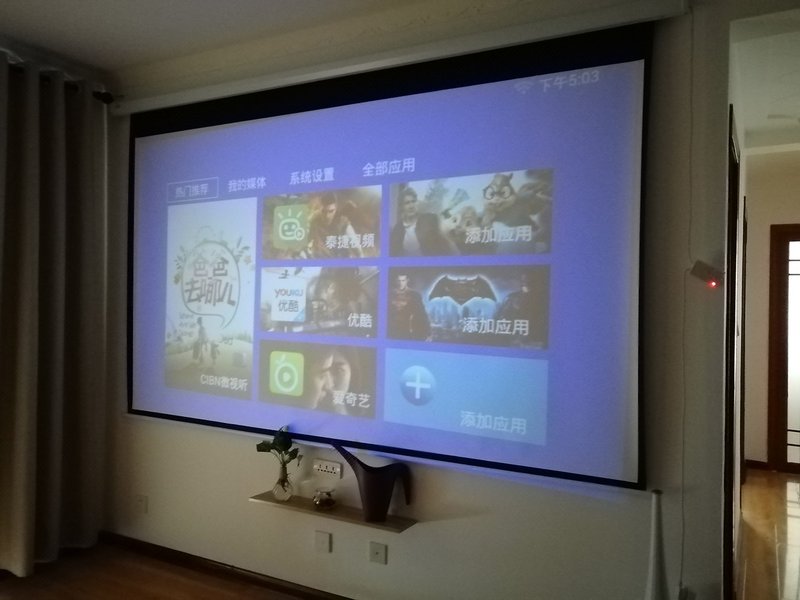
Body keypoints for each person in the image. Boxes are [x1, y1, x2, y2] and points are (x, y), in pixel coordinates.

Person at [389, 187, 456, 256]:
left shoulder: (428, 220)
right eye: (407, 203)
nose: (411, 206)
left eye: (413, 201)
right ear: (401, 207)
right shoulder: (398, 229)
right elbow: (393, 253)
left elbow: (444, 243)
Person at [307, 193, 363, 258]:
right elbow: (307, 241)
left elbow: (357, 249)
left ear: (336, 209)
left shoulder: (343, 222)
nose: (327, 216)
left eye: (331, 211)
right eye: (324, 211)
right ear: (320, 209)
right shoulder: (314, 220)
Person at [388, 272, 431, 340]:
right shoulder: (389, 294)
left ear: (407, 280)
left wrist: (428, 332)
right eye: (398, 281)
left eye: (403, 280)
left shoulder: (414, 295)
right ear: (395, 281)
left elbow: (422, 313)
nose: (400, 283)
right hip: (392, 330)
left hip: (408, 331)